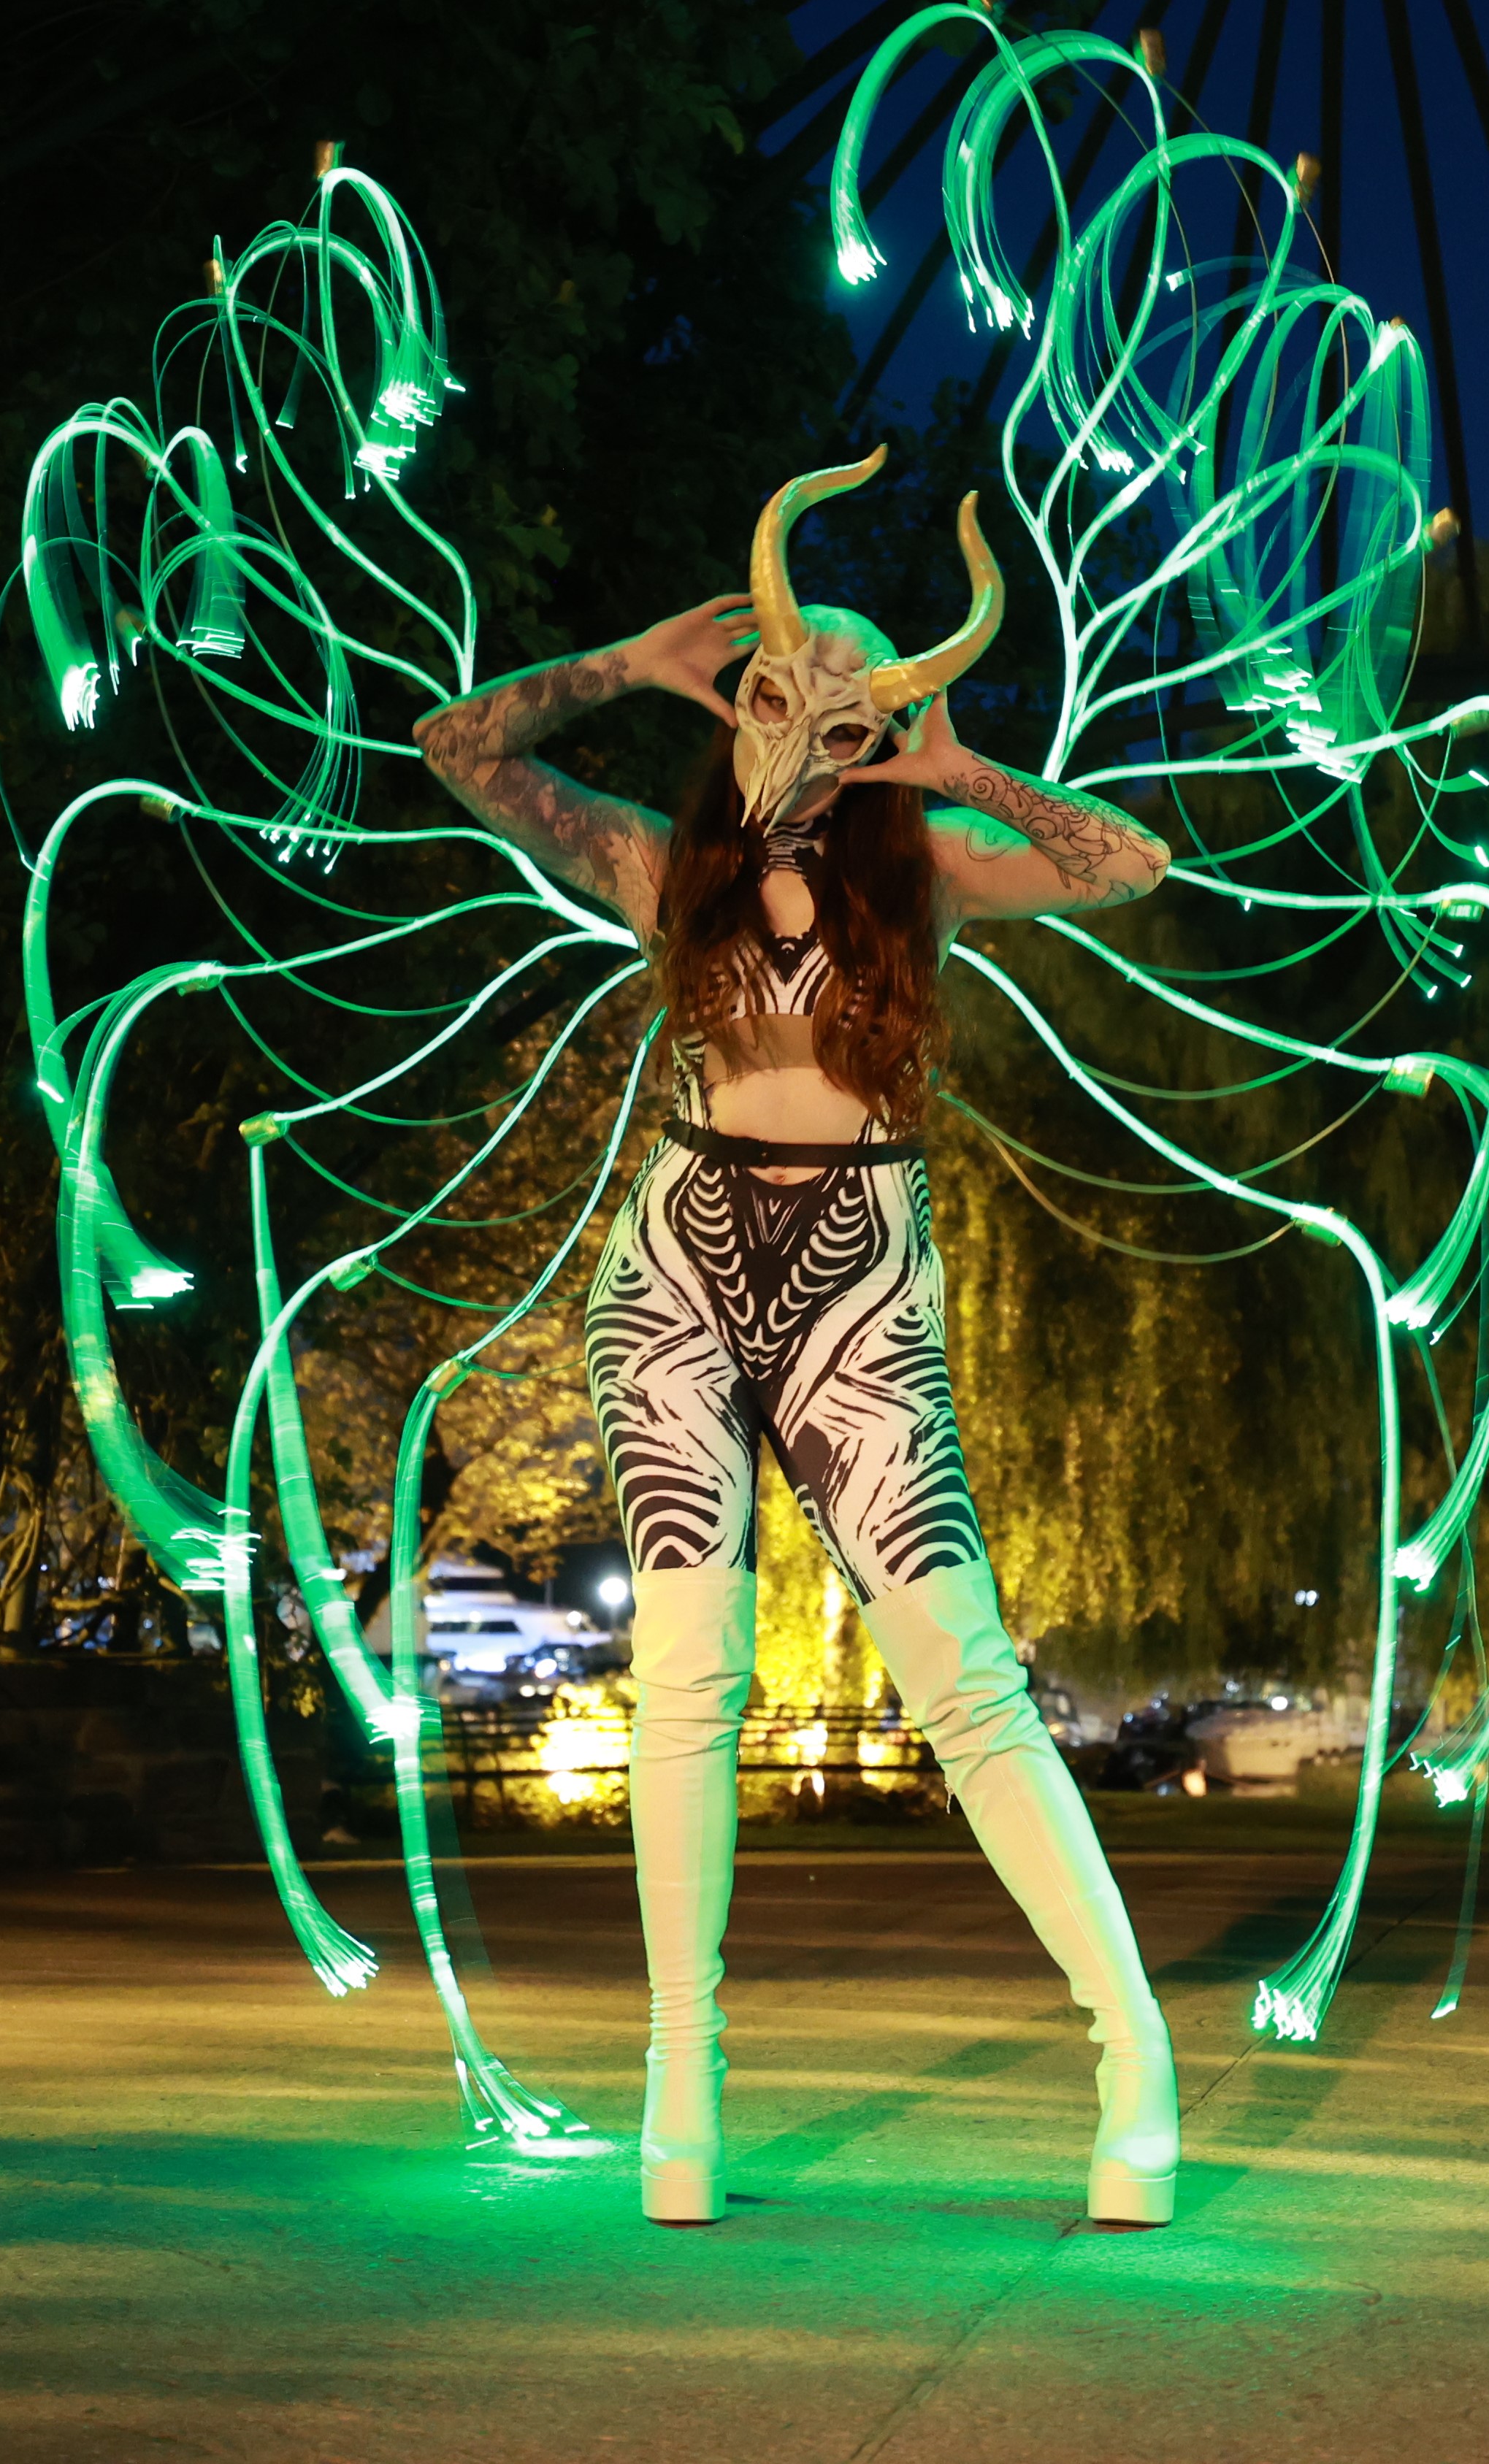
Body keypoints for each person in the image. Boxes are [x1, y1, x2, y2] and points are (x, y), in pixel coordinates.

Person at [414, 447, 1179, 2228]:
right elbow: (459, 751)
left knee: (964, 1678)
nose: (803, 736)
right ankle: (680, 2086)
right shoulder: (659, 868)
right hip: (674, 1275)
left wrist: (958, 765)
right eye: (774, 692)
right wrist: (626, 665)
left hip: (860, 1288)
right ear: (740, 693)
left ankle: (1132, 2054)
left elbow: (1133, 864)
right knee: (687, 1678)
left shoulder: (931, 875)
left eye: (847, 718)